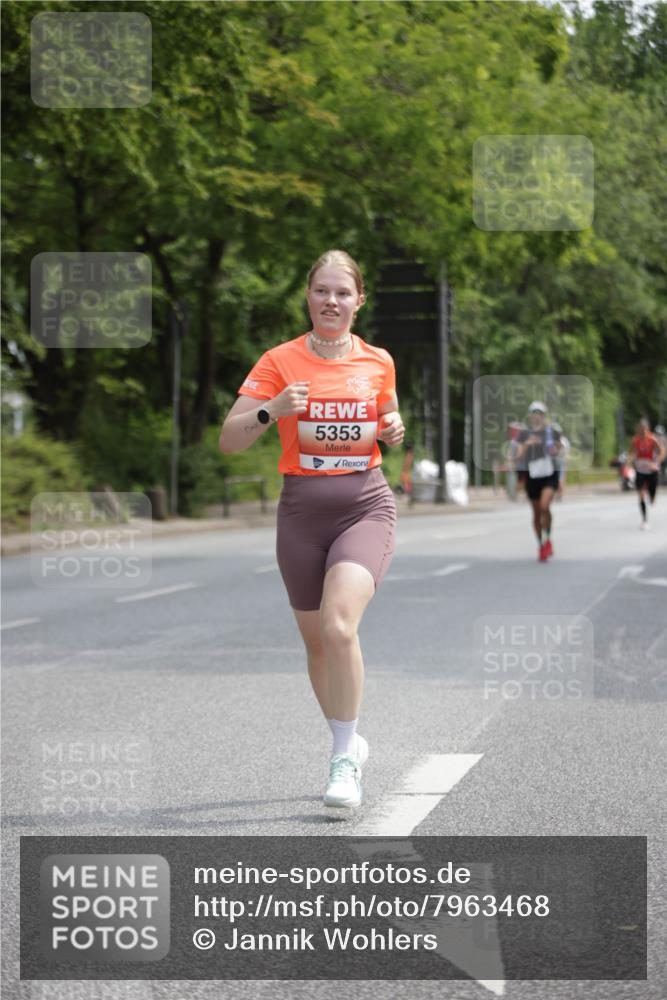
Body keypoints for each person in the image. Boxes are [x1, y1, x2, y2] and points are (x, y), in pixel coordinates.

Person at [219, 249, 404, 809]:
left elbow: (387, 421)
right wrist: (271, 409)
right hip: (300, 513)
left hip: (364, 506)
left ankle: (344, 759)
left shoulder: (378, 362)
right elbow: (230, 439)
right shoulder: (279, 360)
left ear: (359, 301)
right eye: (322, 291)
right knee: (317, 644)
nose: (332, 301)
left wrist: (394, 427)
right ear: (308, 296)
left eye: (343, 292)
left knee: (339, 626)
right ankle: (348, 736)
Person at [514, 401, 562, 561]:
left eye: (539, 413)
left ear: (543, 416)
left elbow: (559, 450)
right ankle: (541, 545)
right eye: (533, 413)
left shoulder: (551, 432)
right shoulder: (524, 435)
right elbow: (518, 457)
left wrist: (555, 449)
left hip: (549, 475)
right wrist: (528, 445)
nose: (536, 416)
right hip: (532, 476)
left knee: (544, 506)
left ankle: (548, 538)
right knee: (536, 513)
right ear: (530, 416)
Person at [628, 418, 666, 530]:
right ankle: (644, 520)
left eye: (644, 430)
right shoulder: (635, 440)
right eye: (640, 430)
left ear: (647, 429)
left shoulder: (652, 439)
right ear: (638, 429)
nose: (642, 432)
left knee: (652, 497)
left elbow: (662, 452)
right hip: (640, 470)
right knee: (641, 495)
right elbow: (631, 453)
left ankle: (652, 497)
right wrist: (629, 462)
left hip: (652, 470)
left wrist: (656, 462)